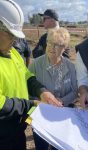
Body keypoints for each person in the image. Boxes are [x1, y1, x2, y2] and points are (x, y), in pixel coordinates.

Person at [0, 1, 62, 150]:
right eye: (10, 34)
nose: (14, 40)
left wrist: (42, 91)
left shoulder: (12, 52)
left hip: (16, 131)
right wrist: (31, 105)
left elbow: (27, 76)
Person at [29, 27, 77, 150]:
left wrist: (62, 101)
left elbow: (75, 91)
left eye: (57, 45)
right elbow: (28, 87)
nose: (52, 47)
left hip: (63, 114)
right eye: (50, 43)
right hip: (41, 115)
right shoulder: (35, 64)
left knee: (59, 146)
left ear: (64, 47)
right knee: (41, 146)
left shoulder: (70, 66)